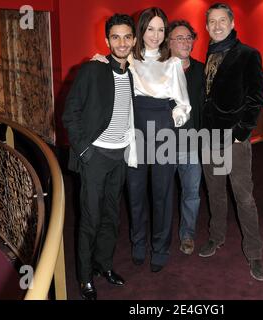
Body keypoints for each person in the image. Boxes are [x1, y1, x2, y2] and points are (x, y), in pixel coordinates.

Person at [93, 7, 191, 272]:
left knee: (162, 194)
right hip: (134, 132)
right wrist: (101, 61)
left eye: (161, 30)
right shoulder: (131, 62)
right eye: (150, 29)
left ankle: (160, 247)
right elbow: (112, 70)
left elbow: (184, 106)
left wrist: (172, 121)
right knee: (135, 194)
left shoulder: (172, 64)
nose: (156, 35)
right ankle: (138, 243)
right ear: (141, 30)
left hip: (163, 131)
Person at [62, 14, 137, 300]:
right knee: (90, 220)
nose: (121, 42)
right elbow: (70, 113)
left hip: (120, 157)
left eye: (127, 37)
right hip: (95, 157)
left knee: (111, 218)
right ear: (107, 41)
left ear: (133, 40)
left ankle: (103, 265)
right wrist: (84, 151)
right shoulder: (92, 70)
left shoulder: (134, 73)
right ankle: (84, 278)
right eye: (115, 37)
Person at [198, 3, 263, 281]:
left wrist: (241, 132)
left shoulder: (248, 54)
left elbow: (257, 98)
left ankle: (255, 253)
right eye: (212, 21)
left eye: (222, 20)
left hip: (233, 140)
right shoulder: (209, 55)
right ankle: (216, 237)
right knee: (214, 193)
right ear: (206, 27)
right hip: (208, 137)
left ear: (232, 22)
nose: (217, 25)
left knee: (244, 197)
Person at [168, 20, 205, 255]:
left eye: (188, 37)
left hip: (192, 146)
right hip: (165, 145)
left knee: (191, 194)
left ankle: (187, 235)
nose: (185, 41)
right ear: (169, 43)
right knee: (162, 195)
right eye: (179, 38)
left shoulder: (202, 70)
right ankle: (161, 238)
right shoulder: (160, 71)